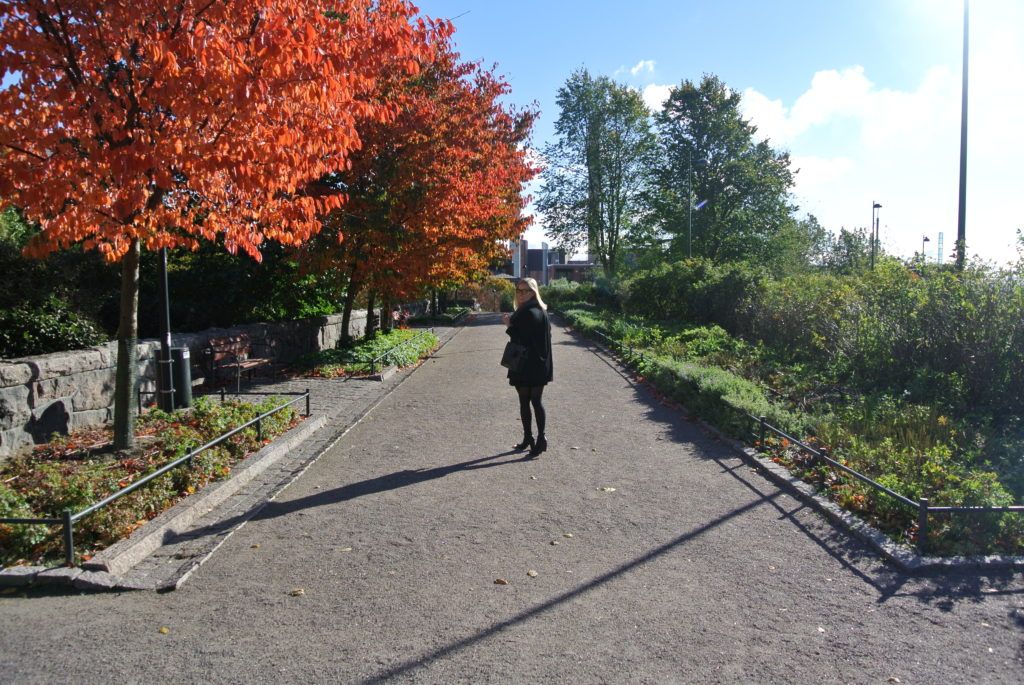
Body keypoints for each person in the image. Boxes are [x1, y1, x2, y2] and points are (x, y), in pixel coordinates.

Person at [502, 277, 553, 457]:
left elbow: (520, 339)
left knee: (526, 401)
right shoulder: (542, 310)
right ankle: (538, 439)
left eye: (525, 291)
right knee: (536, 402)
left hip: (524, 363)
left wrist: (508, 325)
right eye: (518, 291)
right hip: (540, 363)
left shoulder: (526, 312)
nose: (521, 294)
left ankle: (531, 438)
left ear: (533, 292)